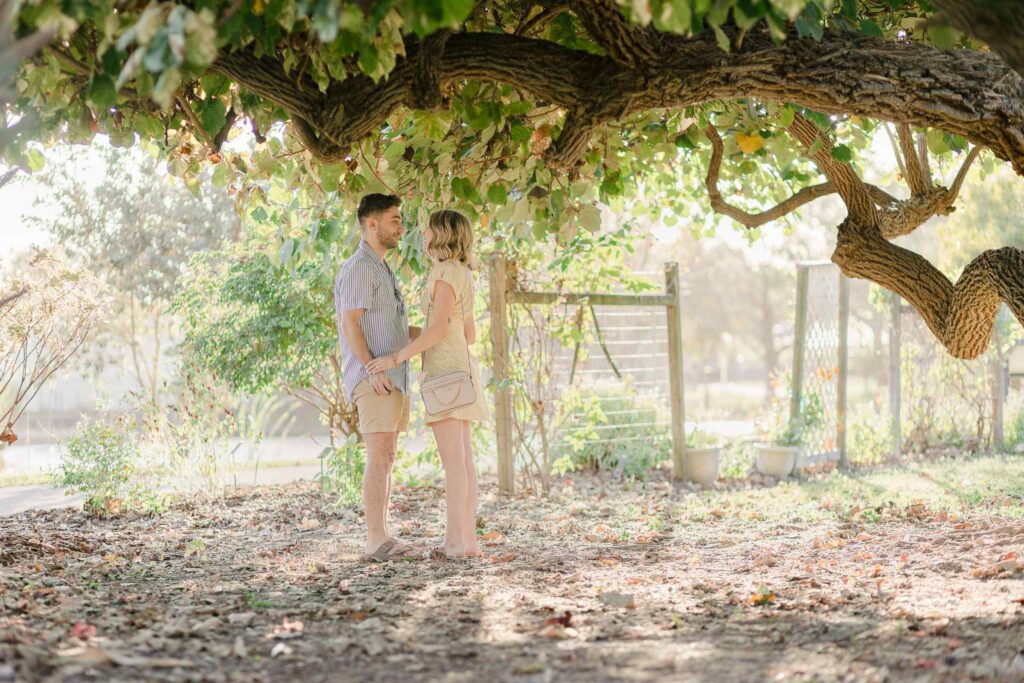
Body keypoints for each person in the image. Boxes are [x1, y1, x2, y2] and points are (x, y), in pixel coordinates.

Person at [367, 209, 489, 559]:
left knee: (454, 464)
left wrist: (395, 357)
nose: (421, 237)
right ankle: (467, 543)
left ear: (441, 236)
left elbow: (437, 331)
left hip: (445, 377)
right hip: (463, 374)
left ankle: (454, 543)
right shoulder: (464, 273)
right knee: (464, 462)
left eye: (427, 231)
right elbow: (468, 333)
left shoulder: (442, 272)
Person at [334, 193, 420, 563]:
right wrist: (372, 366)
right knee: (379, 453)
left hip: (395, 377)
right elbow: (350, 323)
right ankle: (374, 539)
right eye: (394, 220)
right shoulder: (359, 268)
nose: (401, 227)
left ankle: (382, 535)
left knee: (387, 455)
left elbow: (393, 328)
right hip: (376, 379)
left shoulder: (382, 267)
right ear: (372, 224)